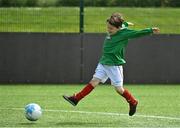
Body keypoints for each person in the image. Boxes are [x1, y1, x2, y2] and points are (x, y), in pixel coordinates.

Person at [63, 12, 160, 116]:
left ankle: (133, 102)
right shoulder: (118, 28)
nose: (109, 30)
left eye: (111, 28)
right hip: (104, 62)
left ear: (118, 28)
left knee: (119, 89)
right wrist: (126, 23)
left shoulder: (124, 33)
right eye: (108, 27)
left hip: (114, 65)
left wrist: (150, 30)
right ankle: (76, 99)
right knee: (94, 81)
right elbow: (123, 25)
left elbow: (137, 33)